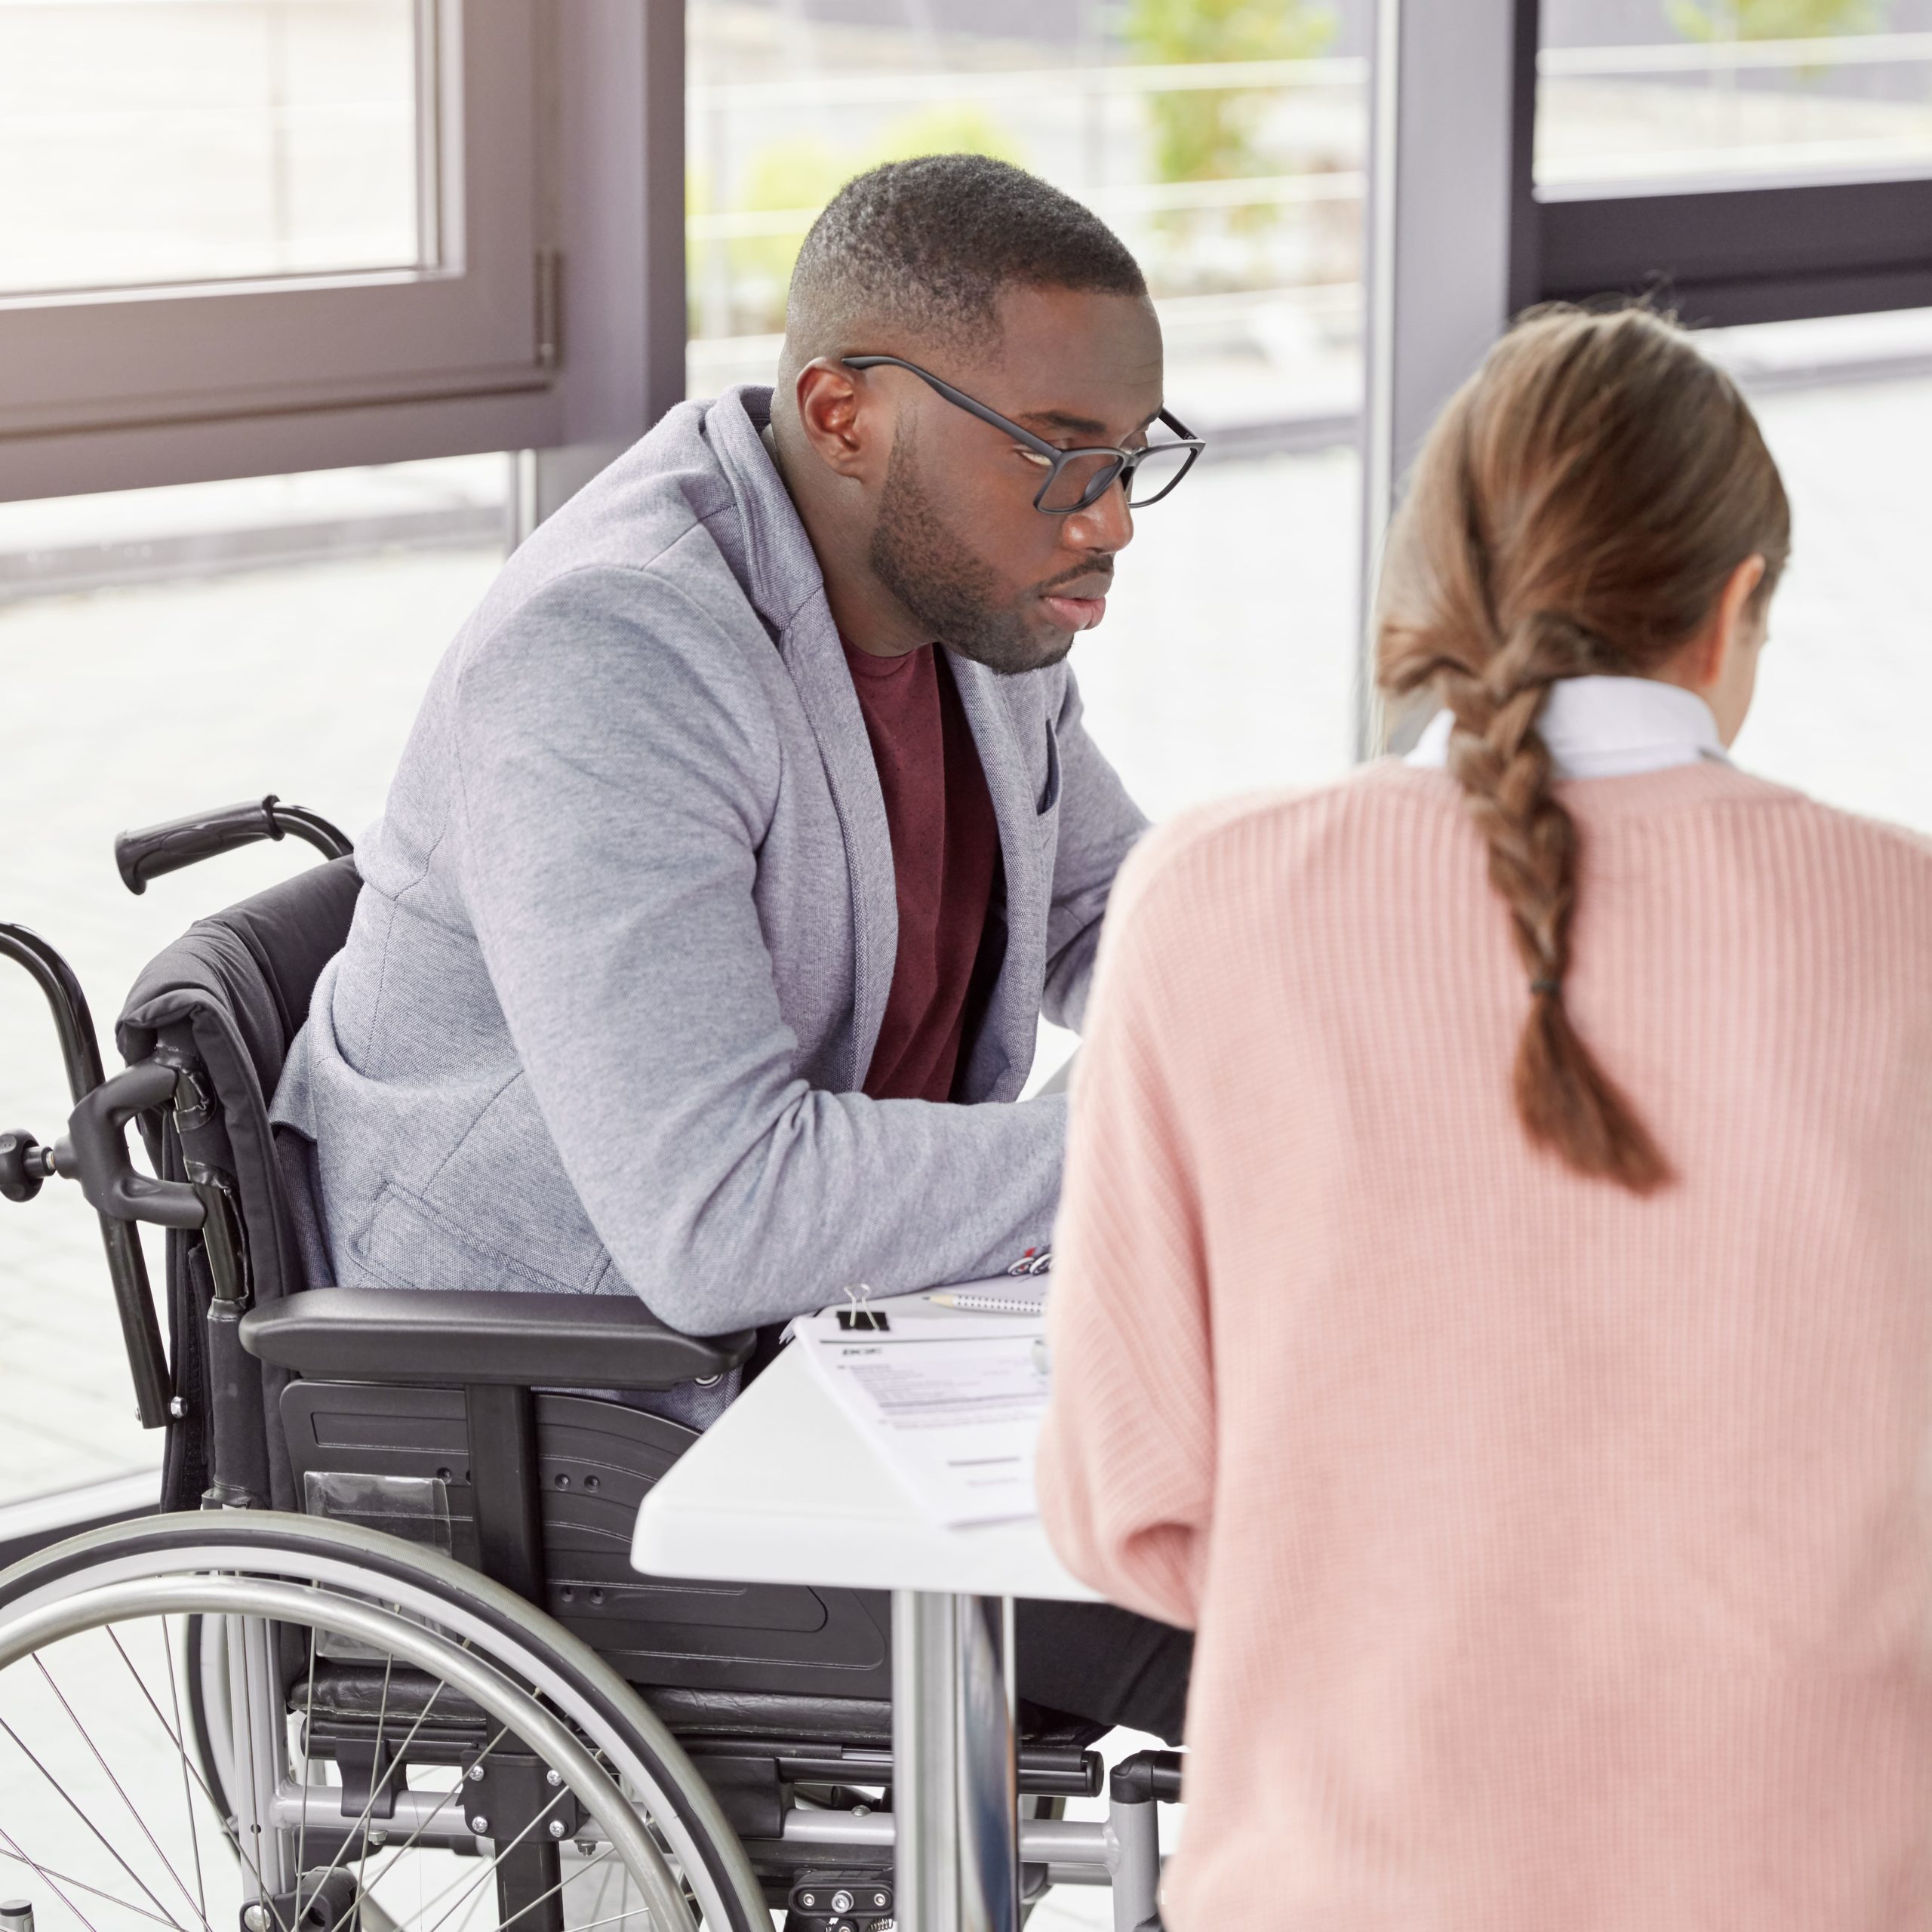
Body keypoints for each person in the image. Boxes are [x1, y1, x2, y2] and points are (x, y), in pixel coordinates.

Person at [273, 154, 1194, 1742]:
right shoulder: (610, 652)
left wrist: (1302, 1022)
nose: (1104, 518)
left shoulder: (979, 599)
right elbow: (723, 1208)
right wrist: (1166, 1138)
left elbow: (1117, 917)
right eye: (1056, 455)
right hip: (587, 1422)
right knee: (1303, 1599)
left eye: (1129, 456)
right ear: (842, 414)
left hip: (841, 1349)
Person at [1037, 304, 1932, 1925]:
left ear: (1435, 588)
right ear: (1731, 609)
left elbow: (1128, 1501)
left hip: (1348, 1880)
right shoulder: (1898, 914)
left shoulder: (1206, 899)